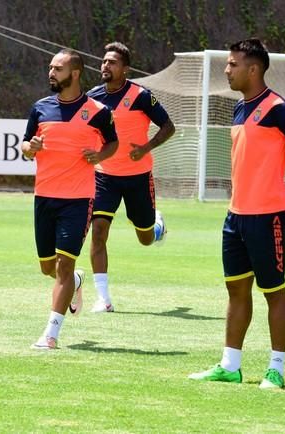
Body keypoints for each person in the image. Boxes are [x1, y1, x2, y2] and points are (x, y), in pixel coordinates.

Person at [189, 39, 285, 389]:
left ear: (253, 69)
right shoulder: (239, 109)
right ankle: (231, 364)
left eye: (232, 64)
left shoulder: (278, 107)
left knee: (274, 292)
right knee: (237, 292)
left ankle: (276, 368)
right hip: (236, 217)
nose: (227, 70)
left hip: (268, 216)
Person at [21, 48, 118, 349]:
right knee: (49, 268)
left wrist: (100, 155)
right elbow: (25, 145)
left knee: (64, 264)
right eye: (50, 68)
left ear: (75, 73)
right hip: (44, 198)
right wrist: (31, 147)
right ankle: (75, 282)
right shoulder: (40, 108)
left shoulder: (98, 112)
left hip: (78, 199)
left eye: (58, 69)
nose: (51, 73)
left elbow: (113, 143)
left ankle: (50, 334)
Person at [86, 42, 175, 313]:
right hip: (104, 177)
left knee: (145, 238)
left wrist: (146, 148)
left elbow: (168, 127)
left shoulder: (141, 96)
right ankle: (104, 298)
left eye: (112, 62)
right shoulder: (92, 97)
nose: (105, 65)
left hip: (138, 177)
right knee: (98, 232)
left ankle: (156, 226)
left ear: (125, 69)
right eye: (103, 61)